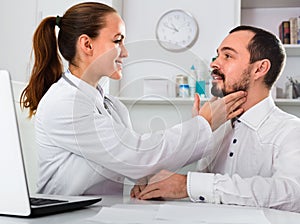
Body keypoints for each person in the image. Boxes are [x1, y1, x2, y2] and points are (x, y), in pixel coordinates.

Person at [20, 2, 246, 196]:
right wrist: (204, 123)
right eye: (117, 41)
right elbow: (138, 156)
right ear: (87, 44)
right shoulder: (65, 104)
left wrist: (143, 178)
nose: (125, 52)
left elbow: (131, 159)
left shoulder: (111, 106)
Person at [132, 25, 300, 212]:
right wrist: (160, 185)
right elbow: (201, 193)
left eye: (227, 56)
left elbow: (293, 194)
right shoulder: (218, 128)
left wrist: (187, 185)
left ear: (260, 69)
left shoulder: (291, 131)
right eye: (218, 55)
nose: (214, 63)